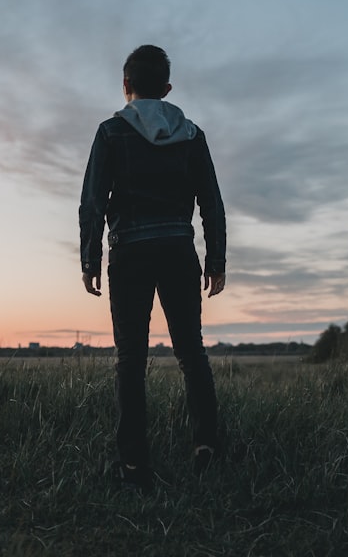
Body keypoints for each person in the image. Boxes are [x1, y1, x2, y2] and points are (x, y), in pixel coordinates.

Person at [79, 44, 227, 489]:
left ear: (125, 85)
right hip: (179, 250)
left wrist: (89, 257)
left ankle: (133, 465)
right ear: (165, 89)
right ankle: (208, 448)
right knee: (191, 352)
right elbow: (212, 203)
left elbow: (93, 202)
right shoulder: (193, 135)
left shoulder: (110, 133)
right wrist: (215, 259)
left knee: (131, 360)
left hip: (129, 254)